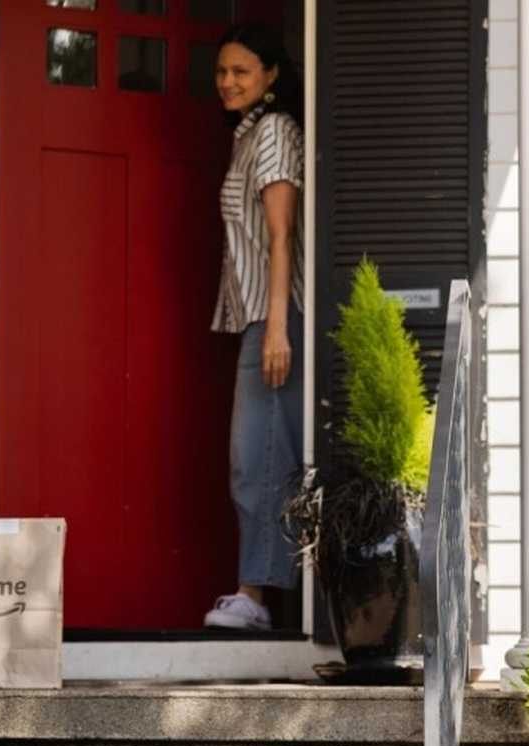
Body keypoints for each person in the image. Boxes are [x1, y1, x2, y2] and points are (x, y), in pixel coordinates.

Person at [202, 24, 306, 632]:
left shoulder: (274, 133)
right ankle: (259, 594)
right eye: (221, 72)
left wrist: (275, 327)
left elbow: (280, 233)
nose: (228, 82)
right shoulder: (249, 135)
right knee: (255, 456)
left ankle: (256, 599)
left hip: (274, 317)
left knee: (259, 456)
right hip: (259, 317)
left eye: (241, 71)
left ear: (270, 74)